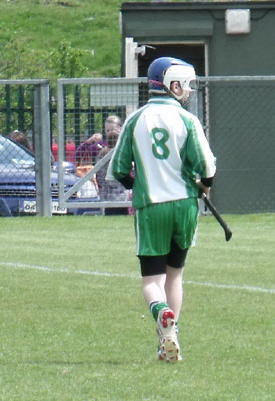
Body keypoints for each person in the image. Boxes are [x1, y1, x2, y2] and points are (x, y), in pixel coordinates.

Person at [108, 57, 216, 362]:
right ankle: (170, 336)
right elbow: (206, 167)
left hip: (151, 207)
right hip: (184, 206)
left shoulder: (135, 120)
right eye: (187, 85)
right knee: (175, 276)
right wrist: (204, 185)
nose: (189, 91)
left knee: (152, 282)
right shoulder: (187, 120)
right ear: (174, 85)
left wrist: (136, 182)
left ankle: (161, 312)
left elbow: (118, 170)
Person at [95, 115, 132, 215]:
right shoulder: (101, 151)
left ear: (121, 128)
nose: (110, 133)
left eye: (112, 130)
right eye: (107, 131)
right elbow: (101, 177)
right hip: (108, 198)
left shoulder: (128, 147)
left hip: (125, 197)